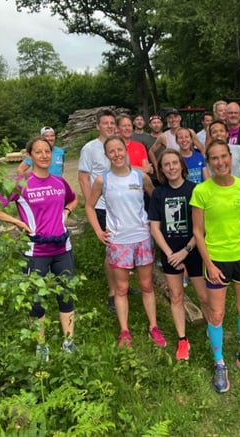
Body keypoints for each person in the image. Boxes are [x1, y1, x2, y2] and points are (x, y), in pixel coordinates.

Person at [0, 136, 78, 361]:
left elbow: (73, 199)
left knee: (66, 295)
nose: (44, 156)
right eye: (38, 152)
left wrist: (66, 212)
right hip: (35, 251)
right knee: (36, 300)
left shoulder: (59, 182)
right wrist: (16, 223)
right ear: (30, 156)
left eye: (47, 151)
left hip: (62, 248)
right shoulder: (22, 184)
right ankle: (41, 345)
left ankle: (68, 343)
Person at [191, 138, 240, 394]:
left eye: (224, 156)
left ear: (231, 158)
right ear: (208, 163)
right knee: (217, 314)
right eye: (214, 158)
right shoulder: (201, 191)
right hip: (217, 260)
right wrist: (209, 263)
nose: (220, 162)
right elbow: (198, 232)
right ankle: (219, 362)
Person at [83, 136, 164, 348]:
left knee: (146, 285)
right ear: (106, 154)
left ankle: (153, 326)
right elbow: (89, 206)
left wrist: (155, 224)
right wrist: (99, 231)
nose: (117, 154)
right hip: (119, 242)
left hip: (142, 238)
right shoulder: (103, 180)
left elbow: (155, 199)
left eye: (120, 150)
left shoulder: (140, 176)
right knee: (121, 288)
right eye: (112, 151)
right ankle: (124, 331)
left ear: (125, 151)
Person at [148, 149, 210, 360]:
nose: (171, 167)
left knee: (204, 296)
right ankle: (183, 340)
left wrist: (186, 251)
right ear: (162, 169)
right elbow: (155, 227)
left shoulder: (196, 190)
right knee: (176, 296)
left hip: (194, 251)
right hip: (170, 253)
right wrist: (170, 253)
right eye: (167, 164)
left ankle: (213, 331)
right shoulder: (158, 193)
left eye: (175, 163)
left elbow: (202, 228)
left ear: (181, 166)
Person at [78, 109, 124, 313]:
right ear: (98, 126)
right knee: (111, 248)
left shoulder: (120, 145)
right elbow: (82, 177)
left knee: (122, 245)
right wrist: (91, 203)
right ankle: (113, 292)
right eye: (105, 123)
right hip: (102, 206)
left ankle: (123, 284)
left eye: (112, 122)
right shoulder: (90, 149)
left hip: (121, 205)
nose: (109, 126)